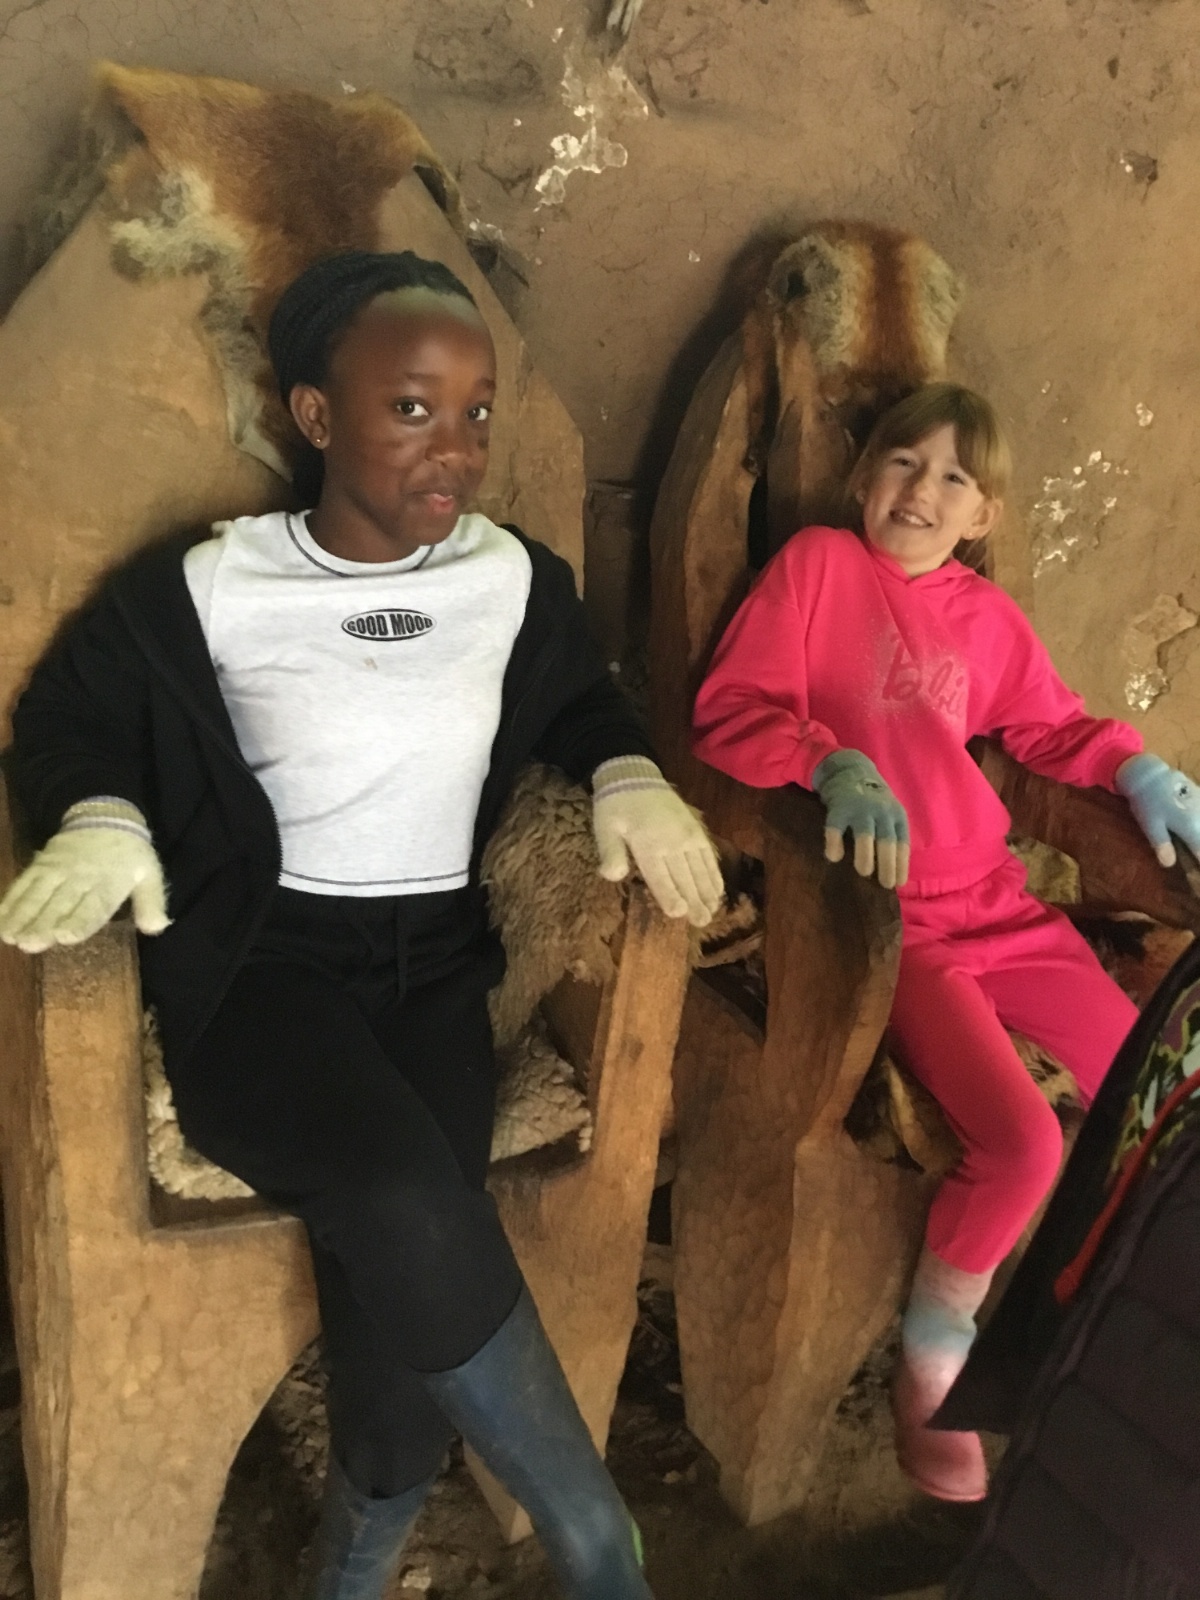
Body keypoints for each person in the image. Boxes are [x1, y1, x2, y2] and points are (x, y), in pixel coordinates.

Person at [0, 249, 723, 1600]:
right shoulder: (214, 585)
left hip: (436, 969)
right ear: (316, 415)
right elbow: (66, 719)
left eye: (476, 412)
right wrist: (101, 817)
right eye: (411, 409)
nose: (456, 448)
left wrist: (627, 773)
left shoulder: (509, 579)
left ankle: (352, 1568)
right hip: (262, 975)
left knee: (408, 1292)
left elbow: (583, 699)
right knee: (400, 1195)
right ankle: (595, 1535)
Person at [690, 382, 1200, 1504]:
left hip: (1003, 905)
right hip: (896, 921)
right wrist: (826, 759)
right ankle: (934, 1359)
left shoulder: (985, 616)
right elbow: (730, 709)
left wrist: (1135, 767)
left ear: (984, 515)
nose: (922, 490)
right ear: (862, 476)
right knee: (1022, 1146)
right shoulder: (818, 568)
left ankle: (1114, 1330)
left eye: (954, 477)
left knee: (1161, 1095)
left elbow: (1051, 725)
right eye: (903, 462)